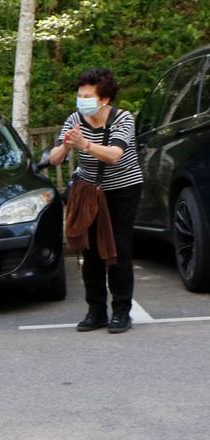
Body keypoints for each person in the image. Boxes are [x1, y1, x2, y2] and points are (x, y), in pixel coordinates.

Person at [49, 67, 143, 333]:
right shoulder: (74, 119)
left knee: (118, 250)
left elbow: (115, 155)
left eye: (87, 95)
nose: (82, 100)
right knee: (90, 252)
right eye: (80, 95)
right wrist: (66, 145)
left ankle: (122, 311)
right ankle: (96, 311)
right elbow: (55, 159)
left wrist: (86, 145)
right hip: (88, 190)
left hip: (123, 189)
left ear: (104, 99)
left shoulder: (122, 119)